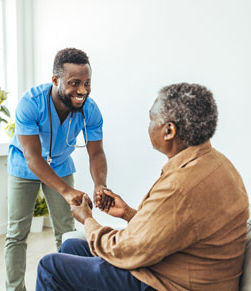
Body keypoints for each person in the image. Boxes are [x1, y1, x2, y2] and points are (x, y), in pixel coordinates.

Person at [36, 83, 249, 291]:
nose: (148, 126)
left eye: (151, 119)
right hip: (176, 268)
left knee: (50, 267)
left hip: (167, 283)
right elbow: (175, 226)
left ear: (169, 130)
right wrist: (128, 213)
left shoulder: (181, 185)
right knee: (72, 247)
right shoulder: (218, 164)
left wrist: (88, 220)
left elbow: (125, 250)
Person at [5, 48, 113, 291]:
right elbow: (32, 157)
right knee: (17, 232)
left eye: (87, 83)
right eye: (74, 83)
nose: (82, 91)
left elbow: (96, 152)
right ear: (55, 80)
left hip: (61, 164)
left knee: (66, 230)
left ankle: (67, 285)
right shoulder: (30, 103)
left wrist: (100, 184)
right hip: (24, 165)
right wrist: (65, 191)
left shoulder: (90, 109)